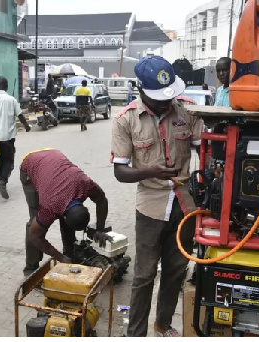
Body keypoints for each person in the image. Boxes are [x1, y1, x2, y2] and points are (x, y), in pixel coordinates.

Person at [111, 55, 203, 337]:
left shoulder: (188, 112)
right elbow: (120, 172)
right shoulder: (126, 120)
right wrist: (151, 170)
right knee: (144, 275)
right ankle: (135, 333)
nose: (166, 103)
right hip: (150, 208)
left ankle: (162, 324)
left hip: (186, 205)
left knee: (176, 270)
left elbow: (207, 152)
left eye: (169, 96)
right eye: (159, 98)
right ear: (140, 90)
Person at [20, 148, 111, 276]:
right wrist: (59, 257)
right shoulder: (48, 207)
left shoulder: (85, 184)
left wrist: (100, 229)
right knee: (33, 223)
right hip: (30, 164)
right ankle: (31, 268)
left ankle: (70, 253)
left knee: (66, 216)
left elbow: (102, 200)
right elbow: (35, 235)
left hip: (52, 155)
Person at [0, 76, 31, 200]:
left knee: (0, 161)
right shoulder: (12, 100)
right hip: (8, 137)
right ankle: (3, 182)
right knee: (8, 161)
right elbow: (20, 115)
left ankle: (1, 181)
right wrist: (26, 126)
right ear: (7, 86)